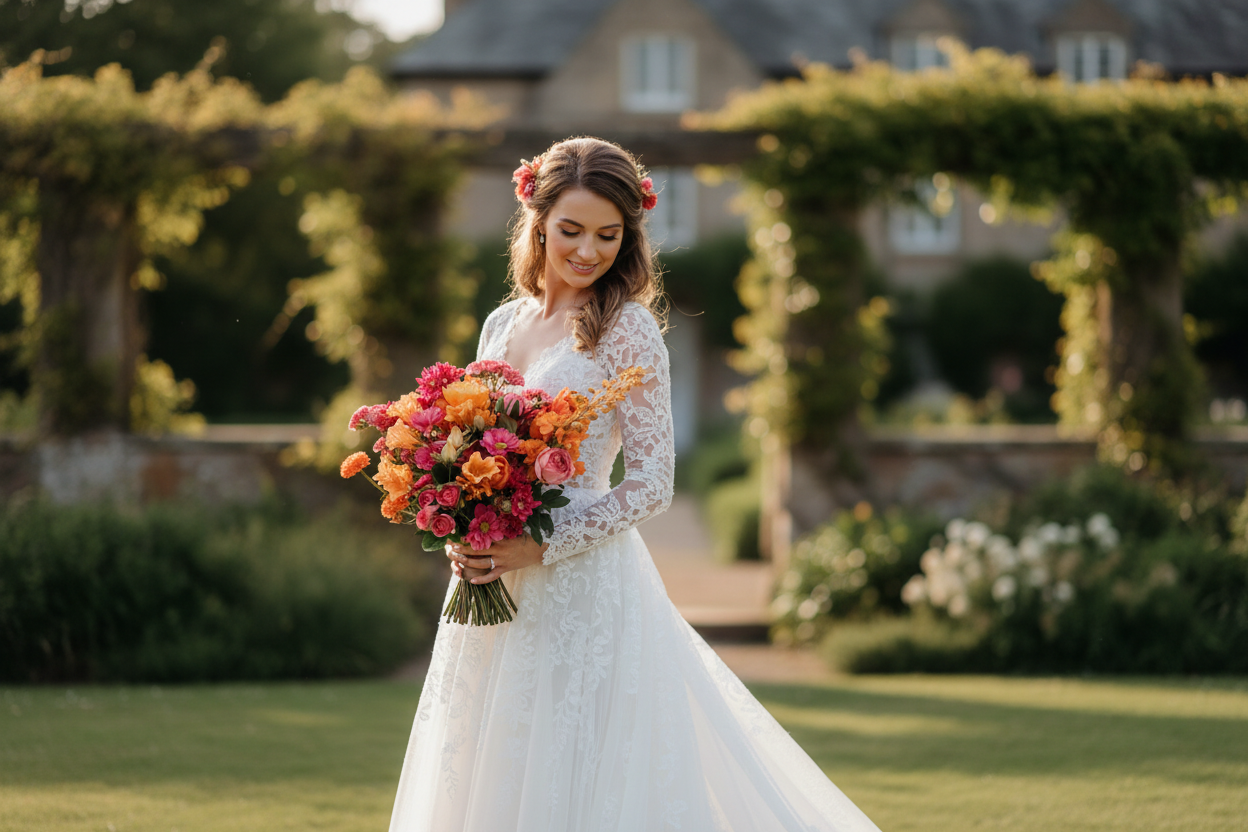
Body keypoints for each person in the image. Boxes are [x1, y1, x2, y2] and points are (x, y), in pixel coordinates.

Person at [388, 137, 879, 832]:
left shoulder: (628, 331)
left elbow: (652, 483)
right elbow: (473, 449)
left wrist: (540, 547)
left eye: (608, 235)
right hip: (490, 581)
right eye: (572, 231)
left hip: (583, 590)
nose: (589, 251)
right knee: (486, 764)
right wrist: (462, 528)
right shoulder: (501, 324)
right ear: (536, 220)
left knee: (581, 772)